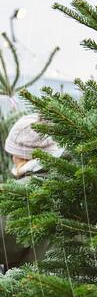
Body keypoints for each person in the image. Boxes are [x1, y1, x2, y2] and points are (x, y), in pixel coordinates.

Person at [0, 113, 62, 272]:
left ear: (22, 155)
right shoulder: (76, 179)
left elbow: (4, 245)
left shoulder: (23, 193)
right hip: (85, 290)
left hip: (37, 288)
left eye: (13, 153)